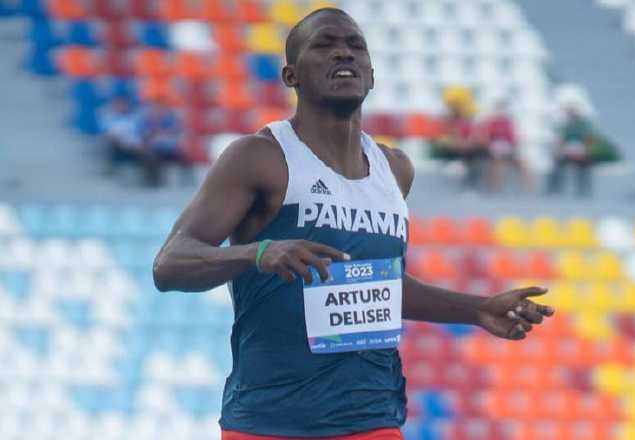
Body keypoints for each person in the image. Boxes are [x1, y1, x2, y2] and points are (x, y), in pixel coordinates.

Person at [152, 8, 553, 439]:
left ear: (372, 74)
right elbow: (169, 265)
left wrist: (476, 309)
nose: (343, 53)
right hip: (270, 422)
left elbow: (382, 286)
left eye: (355, 46)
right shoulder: (259, 157)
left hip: (370, 417)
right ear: (292, 75)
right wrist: (259, 252)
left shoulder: (395, 169)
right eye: (324, 45)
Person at [476, 100, 530, 193]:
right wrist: (491, 147)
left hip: (508, 151)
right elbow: (485, 138)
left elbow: (513, 139)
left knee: (524, 164)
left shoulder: (508, 123)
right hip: (492, 152)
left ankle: (527, 190)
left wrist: (513, 147)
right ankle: (493, 190)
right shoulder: (490, 123)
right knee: (497, 165)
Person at [138, 98, 194, 187]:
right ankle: (152, 181)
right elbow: (144, 137)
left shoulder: (170, 120)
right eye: (154, 108)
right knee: (149, 157)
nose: (157, 111)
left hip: (169, 150)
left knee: (185, 154)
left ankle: (188, 180)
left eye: (160, 108)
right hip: (155, 151)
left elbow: (176, 133)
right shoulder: (146, 121)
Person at [546, 104, 594, 197]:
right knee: (557, 166)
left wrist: (584, 151)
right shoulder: (566, 126)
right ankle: (554, 190)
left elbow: (589, 140)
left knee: (584, 167)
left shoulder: (584, 125)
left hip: (581, 153)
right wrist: (561, 150)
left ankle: (584, 191)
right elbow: (561, 141)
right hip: (567, 152)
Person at [98, 95, 145, 179]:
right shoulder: (109, 118)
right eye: (118, 104)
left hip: (132, 146)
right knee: (111, 145)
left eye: (123, 104)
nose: (121, 106)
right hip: (117, 145)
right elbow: (108, 134)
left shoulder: (133, 118)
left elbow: (138, 134)